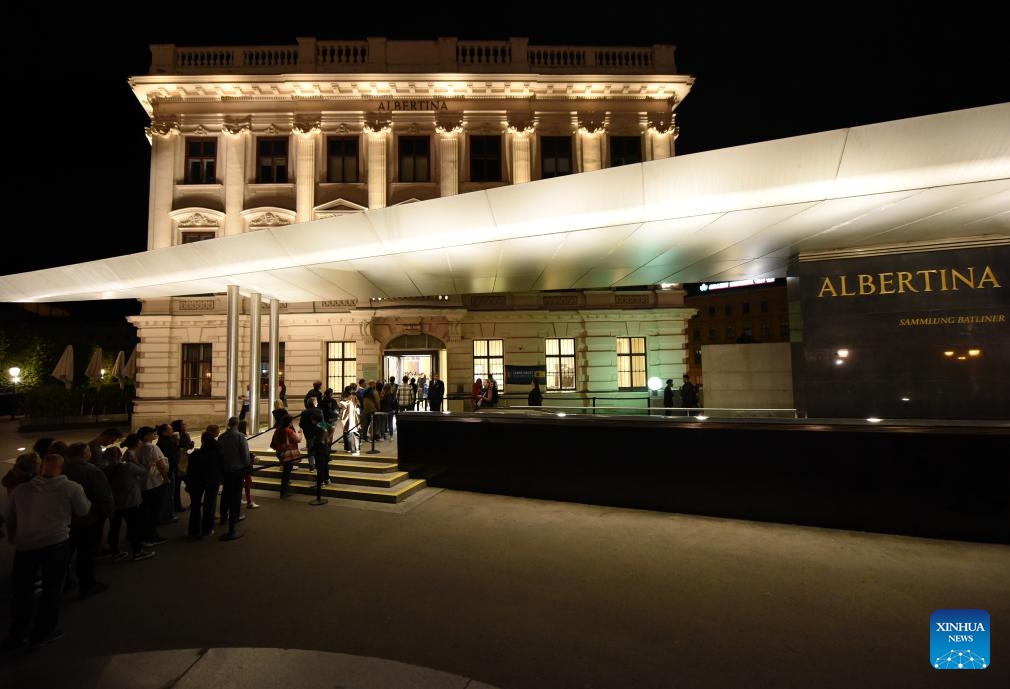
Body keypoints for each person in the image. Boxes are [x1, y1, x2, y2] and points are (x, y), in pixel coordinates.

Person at [2, 453, 90, 652]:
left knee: (22, 592)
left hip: (25, 546)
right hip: (56, 542)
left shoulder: (21, 490)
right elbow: (83, 510)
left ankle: (18, 634)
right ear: (62, 468)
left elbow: (7, 515)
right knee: (52, 589)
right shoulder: (71, 488)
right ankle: (43, 632)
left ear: (41, 468)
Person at [63, 442, 115, 599]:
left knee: (67, 553)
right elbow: (102, 495)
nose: (90, 453)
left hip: (66, 519)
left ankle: (65, 583)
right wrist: (110, 512)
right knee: (86, 553)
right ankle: (87, 585)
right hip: (89, 518)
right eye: (87, 451)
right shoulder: (91, 471)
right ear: (83, 453)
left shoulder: (63, 468)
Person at [103, 445, 154, 562]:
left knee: (114, 528)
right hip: (130, 502)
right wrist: (136, 461)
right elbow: (144, 472)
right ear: (120, 455)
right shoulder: (128, 467)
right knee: (133, 527)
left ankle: (115, 552)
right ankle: (137, 552)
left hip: (114, 503)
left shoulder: (104, 469)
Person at [185, 425, 223, 539]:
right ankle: (207, 529)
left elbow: (189, 470)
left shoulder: (195, 455)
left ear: (202, 441)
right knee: (209, 504)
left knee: (196, 506)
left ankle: (193, 530)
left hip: (196, 482)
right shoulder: (217, 452)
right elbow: (222, 465)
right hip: (212, 480)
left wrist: (188, 483)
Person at [217, 416, 251, 541]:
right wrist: (247, 465)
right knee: (236, 493)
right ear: (237, 424)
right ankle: (235, 515)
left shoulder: (221, 437)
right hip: (238, 469)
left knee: (226, 492)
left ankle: (223, 515)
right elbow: (245, 454)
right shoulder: (240, 437)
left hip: (226, 469)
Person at [271, 413, 303, 498]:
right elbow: (298, 439)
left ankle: (284, 490)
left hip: (280, 452)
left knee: (286, 472)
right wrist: (301, 433)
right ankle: (284, 492)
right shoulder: (288, 431)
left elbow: (274, 442)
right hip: (288, 454)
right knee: (286, 473)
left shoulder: (277, 430)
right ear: (289, 422)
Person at [171, 419, 194, 513]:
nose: (185, 425)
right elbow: (176, 450)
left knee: (192, 484)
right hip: (177, 464)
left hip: (185, 463)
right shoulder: (175, 436)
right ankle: (177, 505)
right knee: (176, 487)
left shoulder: (186, 435)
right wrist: (186, 447)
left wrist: (191, 446)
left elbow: (187, 448)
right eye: (183, 424)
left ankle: (194, 501)